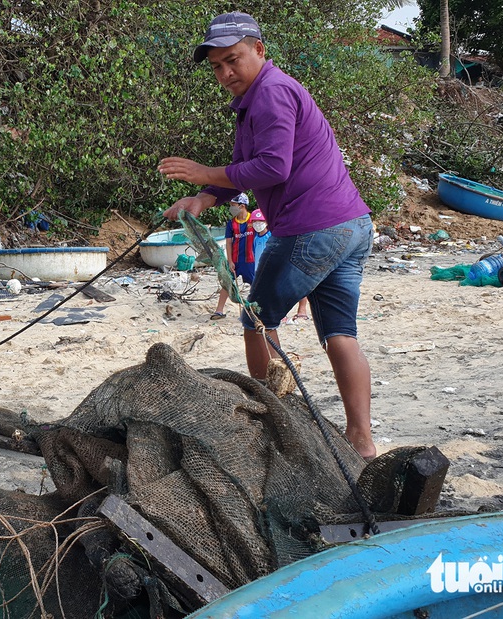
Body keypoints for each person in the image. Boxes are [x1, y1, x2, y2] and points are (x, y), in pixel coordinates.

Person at [157, 12, 376, 460]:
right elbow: (242, 169)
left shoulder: (271, 93)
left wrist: (202, 171)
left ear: (259, 49)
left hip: (312, 229)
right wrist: (202, 198)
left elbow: (274, 167)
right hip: (352, 225)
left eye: (233, 60)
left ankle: (274, 429)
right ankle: (362, 441)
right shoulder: (258, 99)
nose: (225, 73)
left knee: (255, 320)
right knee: (339, 332)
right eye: (217, 66)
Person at [212, 199, 266, 319]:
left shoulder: (253, 220)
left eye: (233, 205)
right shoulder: (231, 223)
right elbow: (228, 242)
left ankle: (256, 311)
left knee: (255, 286)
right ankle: (219, 310)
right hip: (235, 260)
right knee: (227, 283)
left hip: (251, 260)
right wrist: (230, 261)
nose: (231, 208)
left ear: (242, 206)